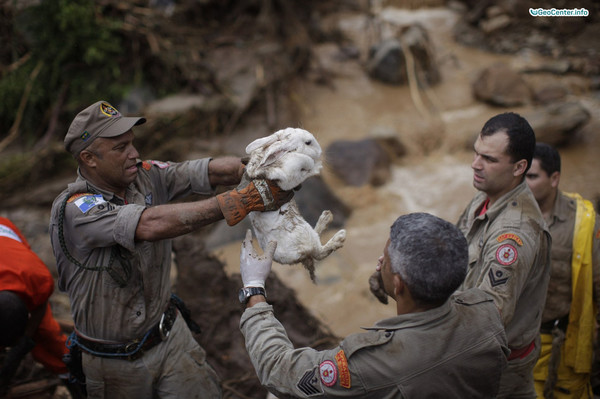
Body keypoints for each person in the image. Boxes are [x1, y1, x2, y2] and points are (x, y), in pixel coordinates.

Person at [48, 100, 293, 399]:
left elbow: (203, 172)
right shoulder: (76, 209)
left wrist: (257, 167)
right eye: (120, 148)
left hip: (169, 337)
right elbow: (149, 224)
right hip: (114, 364)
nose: (134, 154)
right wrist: (245, 200)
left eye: (132, 144)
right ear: (89, 158)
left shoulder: (145, 175)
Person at [239, 212, 509, 398]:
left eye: (386, 259)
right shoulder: (486, 310)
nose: (379, 260)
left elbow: (278, 369)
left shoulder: (373, 363)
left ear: (400, 283)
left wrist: (253, 288)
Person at [525, 142, 600, 398]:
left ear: (554, 178)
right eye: (520, 175)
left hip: (567, 342)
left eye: (532, 177)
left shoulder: (584, 224)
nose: (524, 183)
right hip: (518, 345)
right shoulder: (506, 216)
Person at [0, 217, 84, 398]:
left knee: (47, 337)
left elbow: (39, 305)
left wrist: (24, 341)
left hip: (7, 239)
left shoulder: (39, 278)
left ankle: (75, 381)